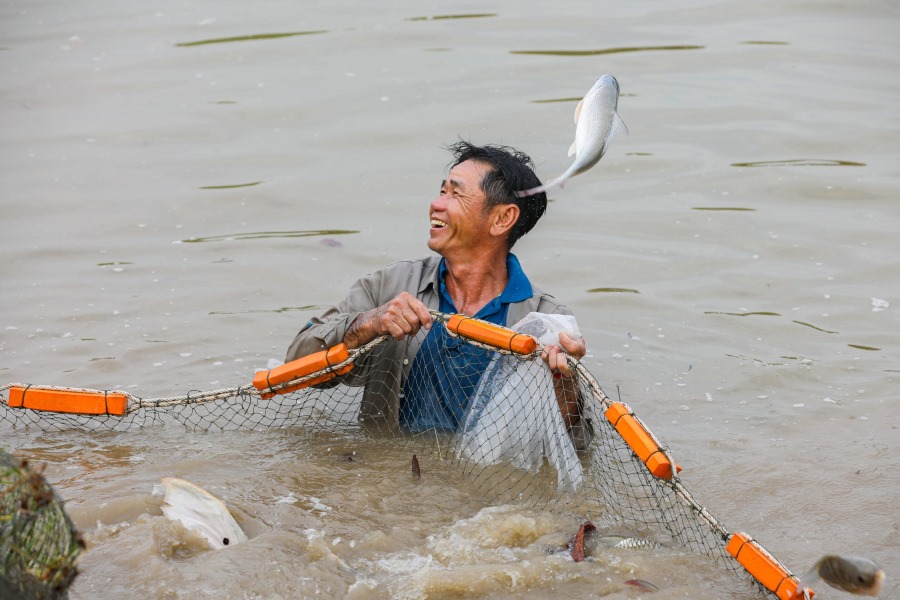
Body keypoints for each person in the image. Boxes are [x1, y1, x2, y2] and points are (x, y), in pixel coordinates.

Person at [286, 141, 591, 446]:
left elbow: (576, 447)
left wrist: (563, 384)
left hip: (482, 487)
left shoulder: (548, 322)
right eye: (442, 191)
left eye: (455, 194)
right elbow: (293, 372)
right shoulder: (388, 287)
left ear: (502, 219)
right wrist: (368, 324)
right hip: (388, 478)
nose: (437, 204)